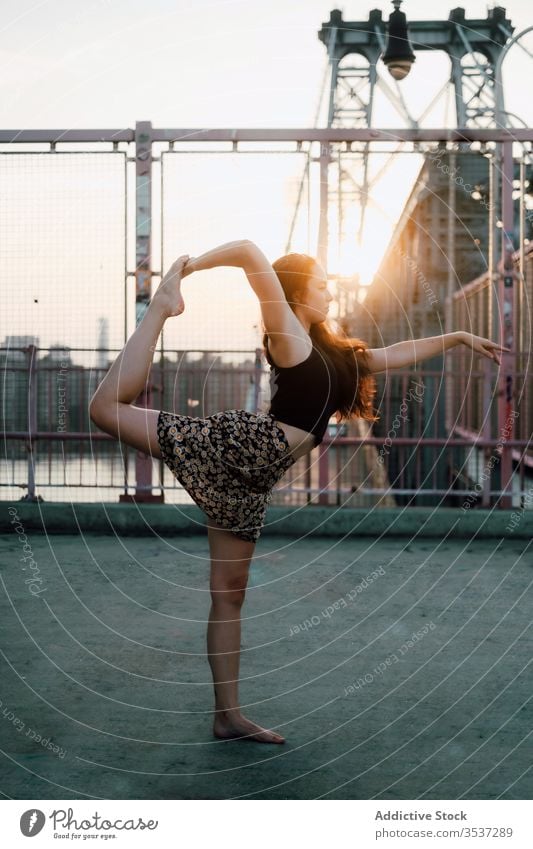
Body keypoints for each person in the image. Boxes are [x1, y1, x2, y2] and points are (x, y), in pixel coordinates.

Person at [89, 240, 509, 744]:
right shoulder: (286, 332)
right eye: (322, 286)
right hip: (235, 450)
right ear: (297, 295)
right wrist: (186, 272)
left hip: (250, 482)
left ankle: (228, 717)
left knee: (229, 595)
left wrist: (459, 336)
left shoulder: (337, 355)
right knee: (106, 409)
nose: (330, 294)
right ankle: (158, 311)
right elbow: (248, 251)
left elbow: (396, 353)